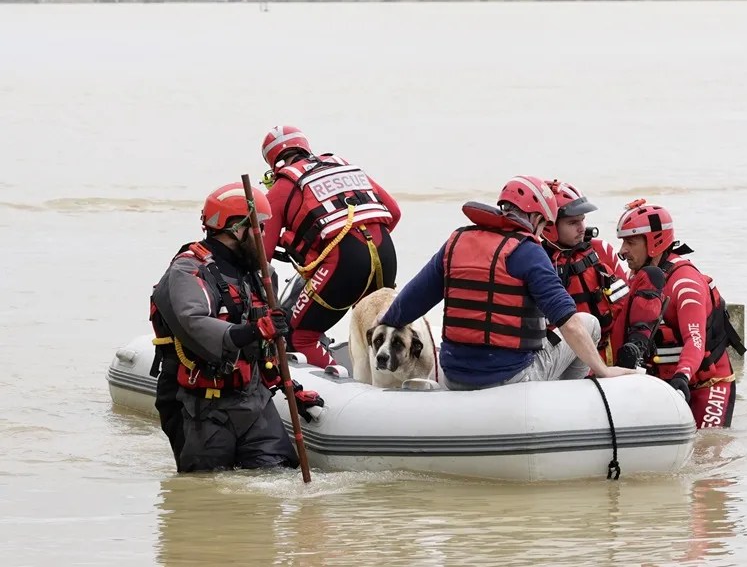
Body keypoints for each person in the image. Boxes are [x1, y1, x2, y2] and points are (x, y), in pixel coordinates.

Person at [380, 175, 636, 391]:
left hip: (454, 376)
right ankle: (560, 404)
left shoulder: (455, 242)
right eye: (544, 222)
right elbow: (569, 324)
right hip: (510, 380)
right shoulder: (528, 252)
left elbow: (401, 310)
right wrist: (602, 370)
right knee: (587, 324)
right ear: (535, 218)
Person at [149, 182, 323, 472]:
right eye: (260, 227)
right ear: (237, 229)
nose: (265, 235)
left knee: (277, 476)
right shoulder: (188, 271)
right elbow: (195, 324)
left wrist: (289, 385)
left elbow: (268, 343)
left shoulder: (259, 275)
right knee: (209, 494)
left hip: (252, 400)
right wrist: (254, 331)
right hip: (201, 406)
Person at [260, 125, 401, 367]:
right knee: (375, 329)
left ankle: (339, 385)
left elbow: (261, 257)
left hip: (344, 263)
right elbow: (394, 212)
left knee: (299, 336)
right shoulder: (343, 165)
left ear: (273, 164)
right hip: (386, 254)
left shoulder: (283, 187)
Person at [615, 199, 745, 428]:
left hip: (708, 383)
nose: (622, 251)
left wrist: (682, 376)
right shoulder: (636, 279)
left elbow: (695, 340)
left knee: (707, 452)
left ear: (654, 243)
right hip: (664, 382)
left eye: (630, 242)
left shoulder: (685, 284)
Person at [542, 180, 630, 363]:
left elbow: (626, 304)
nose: (581, 227)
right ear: (550, 225)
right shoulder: (538, 261)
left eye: (582, 219)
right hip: (564, 356)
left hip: (608, 350)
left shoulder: (601, 250)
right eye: (573, 222)